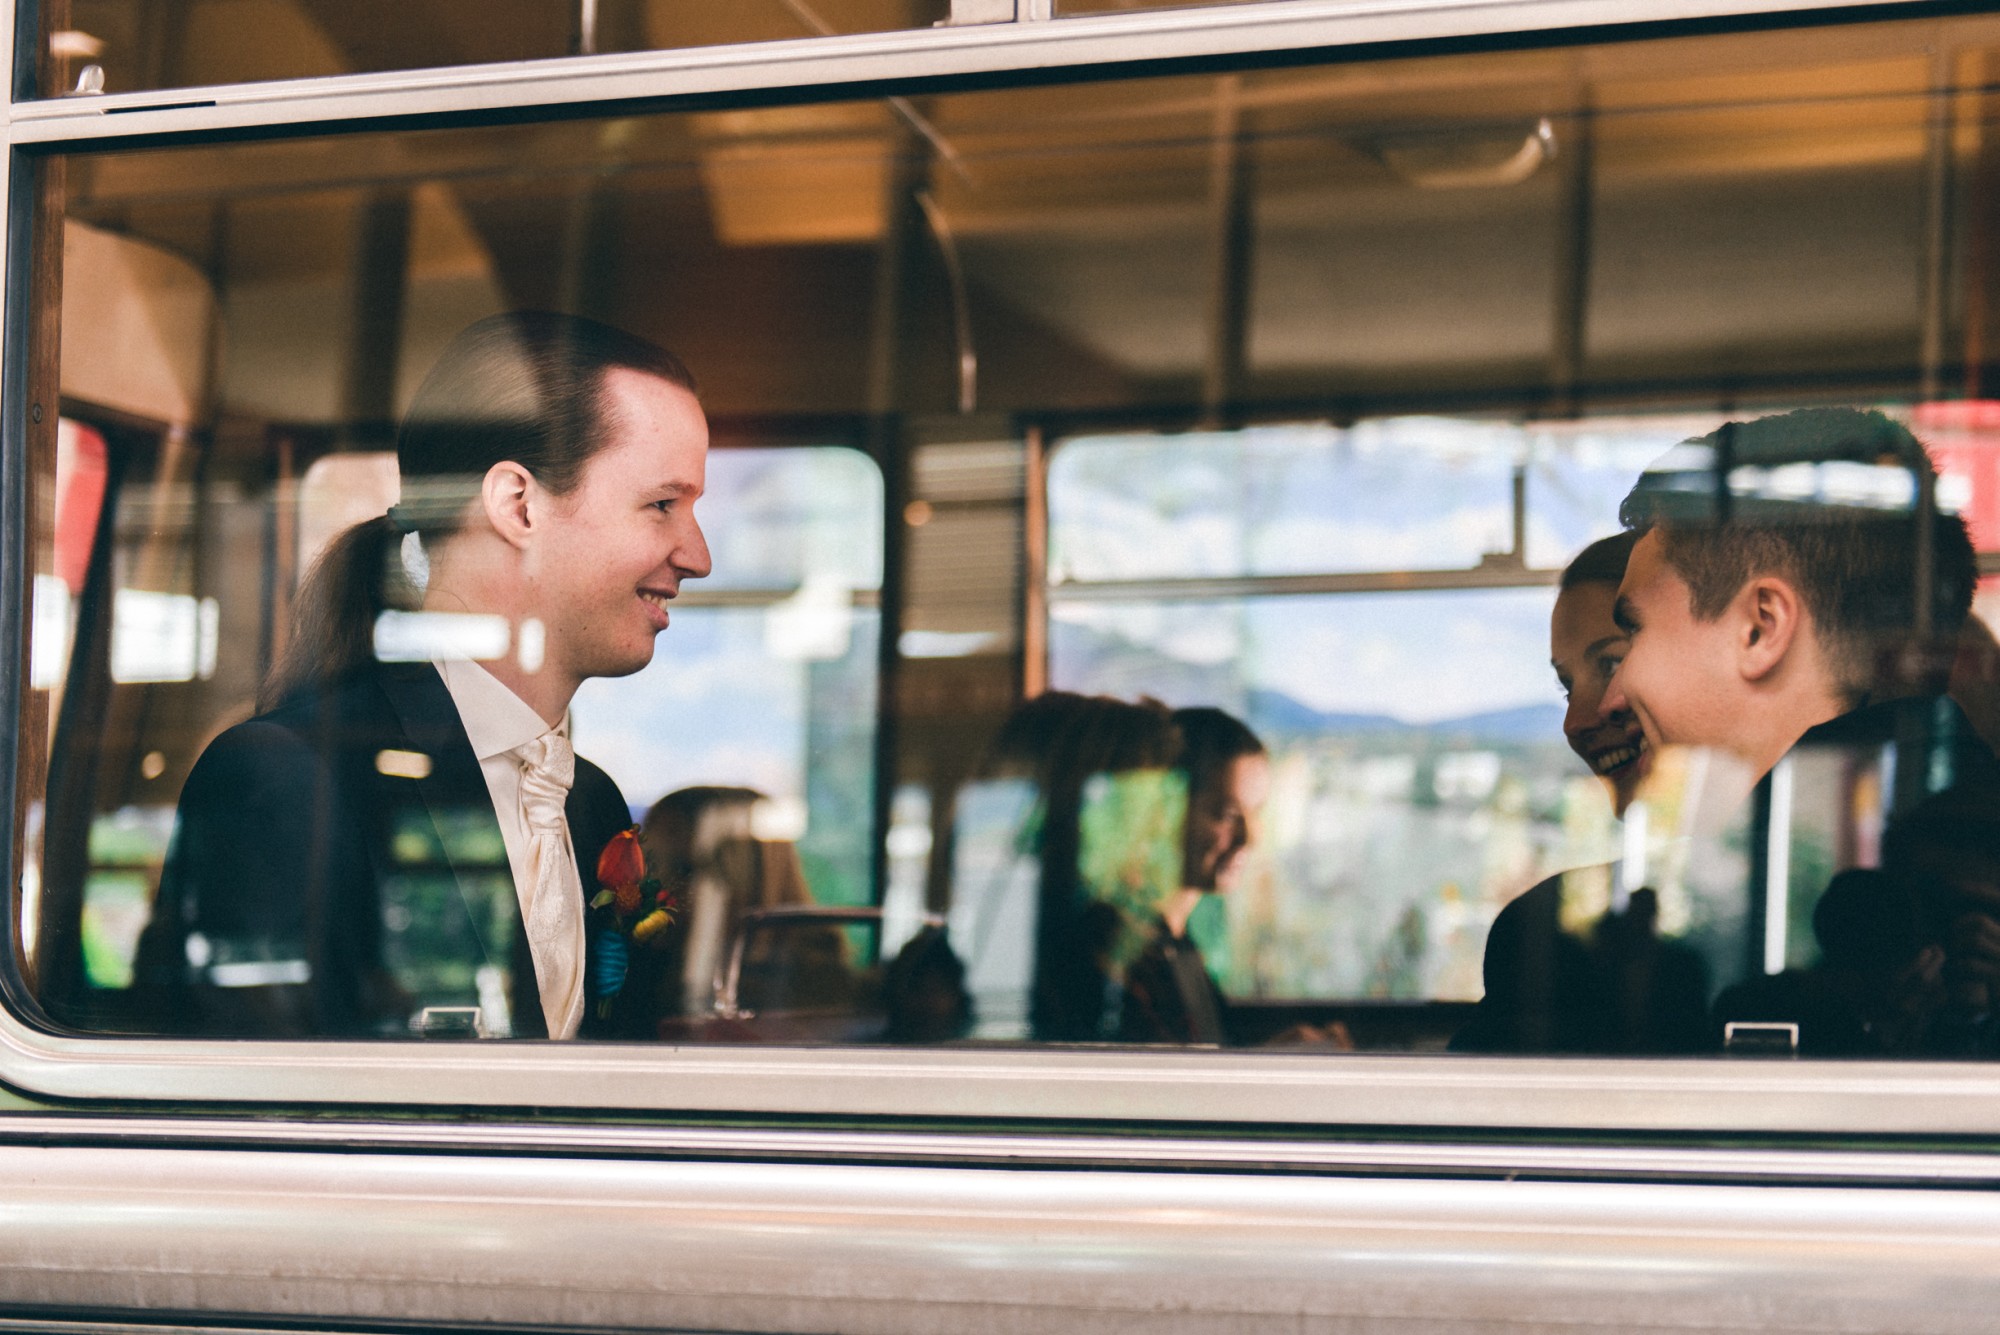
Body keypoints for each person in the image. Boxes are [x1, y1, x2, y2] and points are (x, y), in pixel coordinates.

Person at [129, 311, 711, 1040]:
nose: (697, 554)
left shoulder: (590, 802)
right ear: (518, 505)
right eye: (662, 505)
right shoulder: (285, 779)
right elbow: (267, 1123)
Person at [1604, 407, 1978, 792]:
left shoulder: (1814, 843)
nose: (1610, 701)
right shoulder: (1942, 822)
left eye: (1633, 630)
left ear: (1760, 627)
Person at [1453, 531, 1709, 1054]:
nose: (1576, 722)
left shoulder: (1549, 934)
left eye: (1612, 664)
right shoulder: (1545, 936)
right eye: (1567, 688)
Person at [1117, 707, 1268, 1045]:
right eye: (1228, 815)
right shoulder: (1137, 960)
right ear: (1167, 812)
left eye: (1257, 813)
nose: (1250, 838)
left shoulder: (1179, 945)